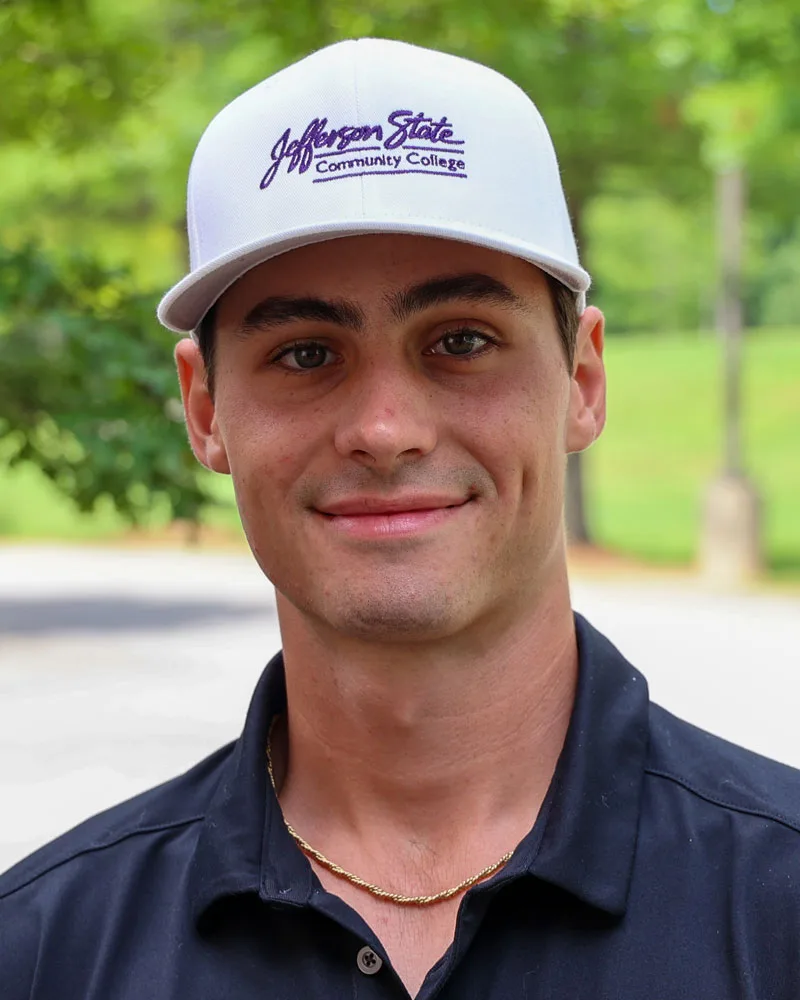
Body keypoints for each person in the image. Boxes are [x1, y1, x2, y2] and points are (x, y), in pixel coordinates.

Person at [1, 36, 799, 1000]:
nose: (385, 430)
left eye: (461, 341)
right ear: (207, 411)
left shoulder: (778, 906)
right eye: (304, 354)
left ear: (582, 380)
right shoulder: (45, 951)